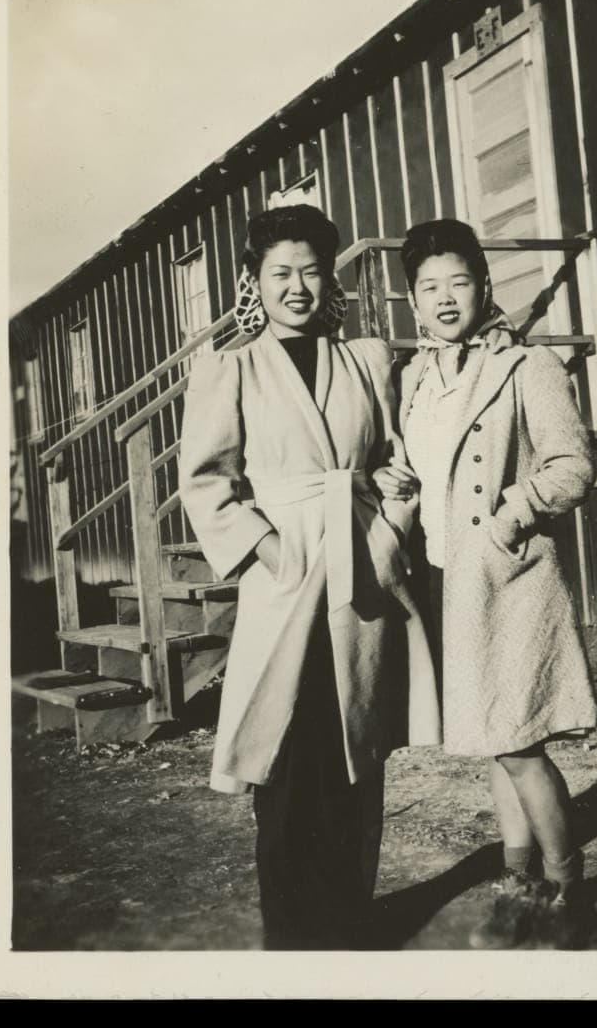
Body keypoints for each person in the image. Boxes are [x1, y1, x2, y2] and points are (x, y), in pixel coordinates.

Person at [178, 204, 440, 951]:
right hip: (285, 580)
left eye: (312, 272)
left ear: (331, 280)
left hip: (362, 576)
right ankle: (292, 938)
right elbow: (206, 482)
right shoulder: (230, 368)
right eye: (280, 273)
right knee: (287, 757)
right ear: (254, 282)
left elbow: (395, 461)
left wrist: (387, 532)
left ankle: (351, 922)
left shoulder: (366, 360)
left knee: (358, 754)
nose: (297, 287)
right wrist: (267, 548)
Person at [374, 218, 597, 949]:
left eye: (458, 282)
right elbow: (422, 469)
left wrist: (511, 516)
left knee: (518, 742)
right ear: (413, 300)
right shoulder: (414, 379)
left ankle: (568, 891)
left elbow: (573, 465)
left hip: (511, 577)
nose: (444, 298)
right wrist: (396, 480)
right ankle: (519, 879)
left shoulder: (527, 365)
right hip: (447, 581)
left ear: (485, 286)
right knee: (494, 737)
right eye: (428, 287)